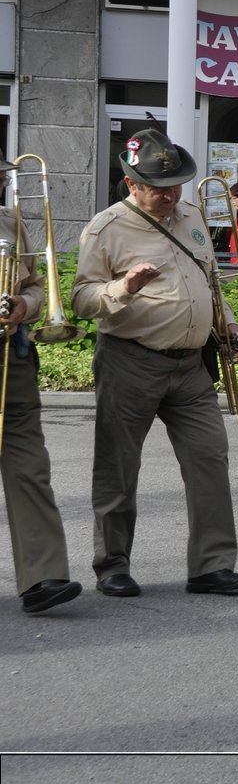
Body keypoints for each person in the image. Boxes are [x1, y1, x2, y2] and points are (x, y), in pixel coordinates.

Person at [70, 128, 238, 599]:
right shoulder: (105, 228)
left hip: (191, 365)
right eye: (159, 188)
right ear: (132, 184)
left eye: (176, 185)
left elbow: (209, 281)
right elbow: (80, 299)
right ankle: (112, 564)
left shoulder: (190, 215)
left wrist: (228, 325)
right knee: (118, 465)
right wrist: (124, 288)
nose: (171, 195)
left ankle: (211, 567)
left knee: (210, 457)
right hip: (130, 360)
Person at [0, 160, 81, 614]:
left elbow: (32, 287)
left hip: (11, 359)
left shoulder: (11, 223)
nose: (2, 184)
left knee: (30, 467)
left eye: (1, 177)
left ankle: (43, 575)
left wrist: (24, 306)